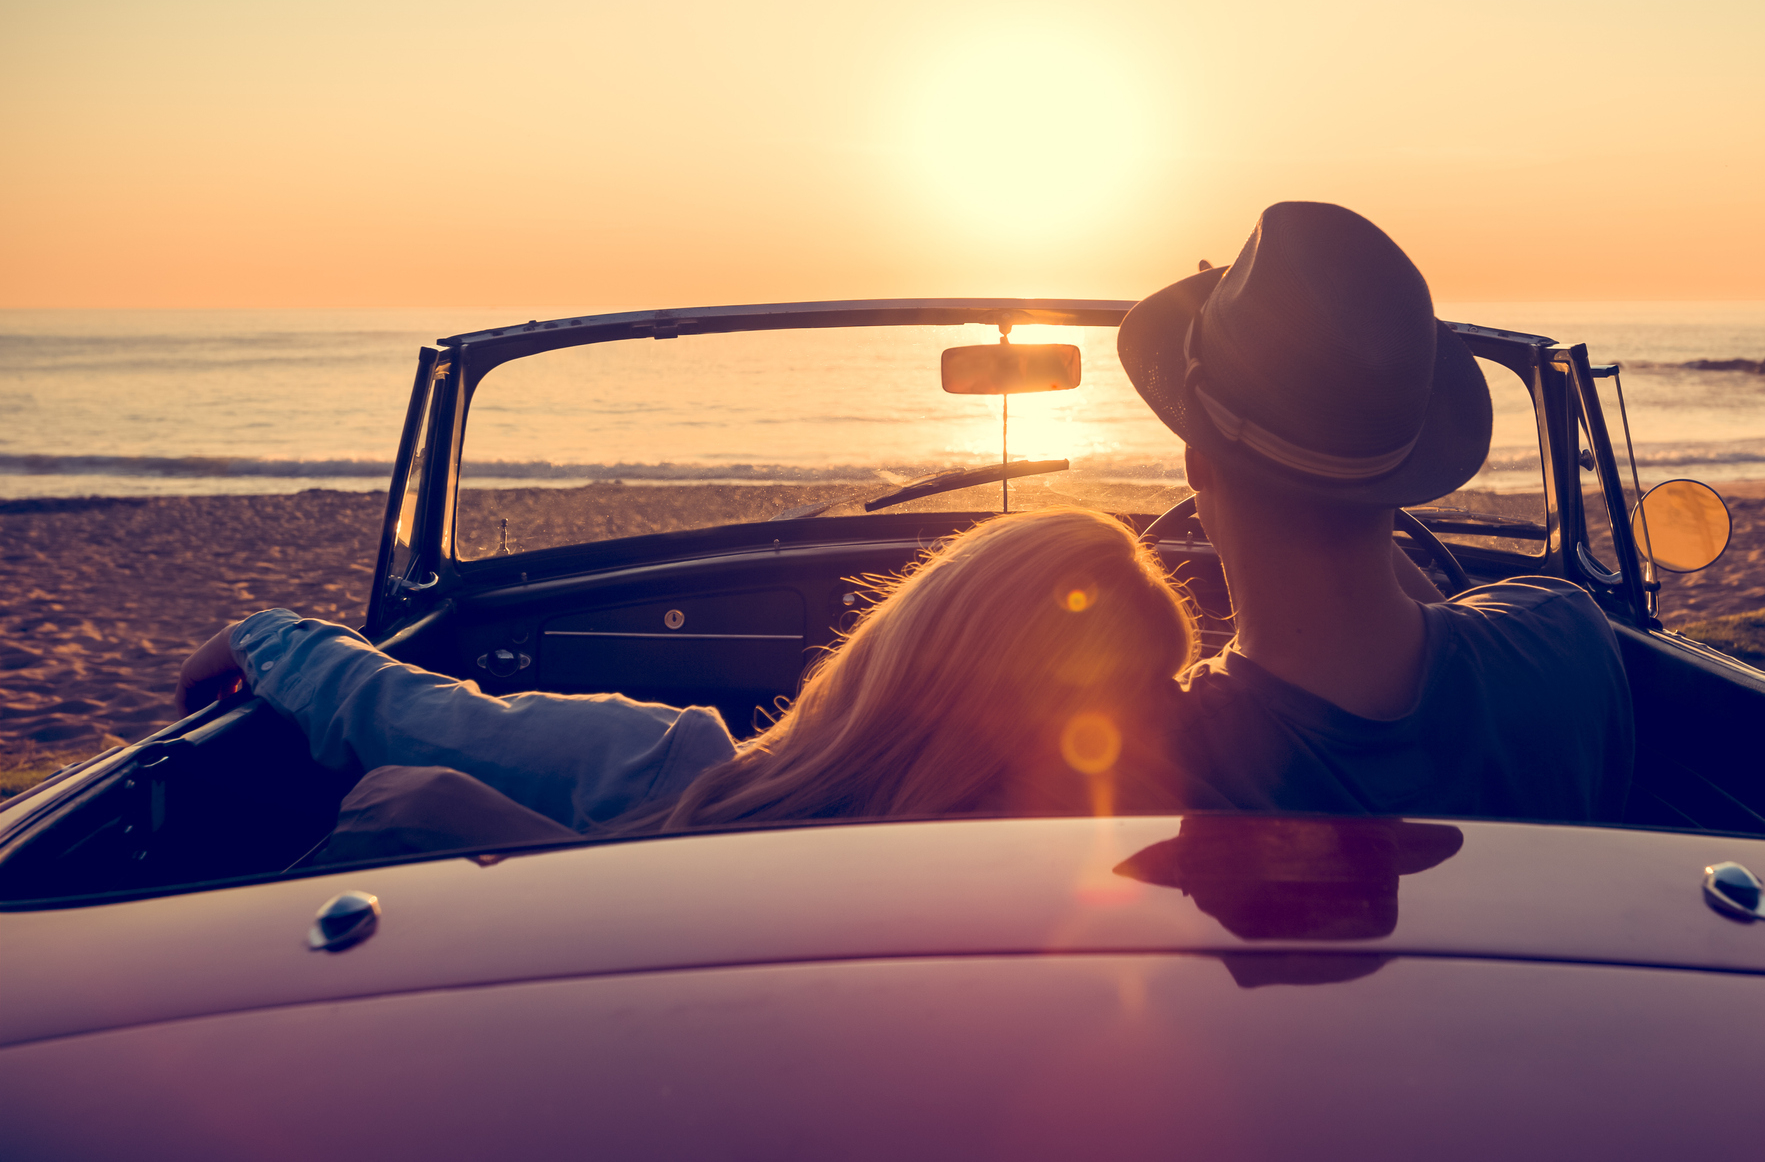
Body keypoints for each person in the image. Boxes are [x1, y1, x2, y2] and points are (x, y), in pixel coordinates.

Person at [175, 506, 1198, 859]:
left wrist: (262, 633)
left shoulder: (678, 768)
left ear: (900, 650)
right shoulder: (1114, 891)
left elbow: (410, 715)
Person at [1116, 201, 1633, 820]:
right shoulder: (1566, 639)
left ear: (1195, 463)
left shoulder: (1156, 760)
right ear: (1408, 469)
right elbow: (1444, 663)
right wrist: (1341, 463)